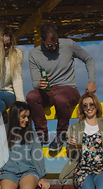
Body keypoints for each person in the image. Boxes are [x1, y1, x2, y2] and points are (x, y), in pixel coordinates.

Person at [27, 23, 97, 151]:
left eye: (56, 44)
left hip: (68, 89)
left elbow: (89, 59)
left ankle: (61, 134)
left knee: (60, 98)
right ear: (41, 40)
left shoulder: (69, 45)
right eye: (49, 45)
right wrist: (39, 84)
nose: (54, 48)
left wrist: (91, 80)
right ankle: (42, 133)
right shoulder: (34, 54)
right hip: (48, 91)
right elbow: (35, 81)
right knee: (31, 96)